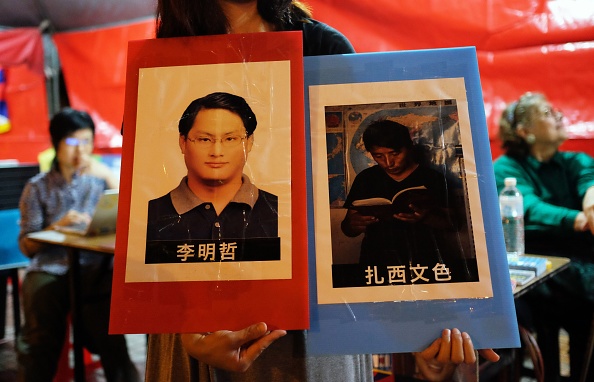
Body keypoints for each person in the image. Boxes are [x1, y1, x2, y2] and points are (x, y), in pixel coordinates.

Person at [145, 1, 499, 381]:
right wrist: (188, 326)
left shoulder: (322, 47)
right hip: (191, 316)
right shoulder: (167, 54)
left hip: (306, 324)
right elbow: (149, 189)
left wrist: (423, 330)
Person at [17, 108, 139, 381]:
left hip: (94, 269)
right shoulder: (37, 187)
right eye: (72, 143)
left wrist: (108, 176)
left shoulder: (100, 180)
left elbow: (134, 212)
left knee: (112, 337)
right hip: (51, 268)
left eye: (86, 142)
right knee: (40, 335)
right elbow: (26, 245)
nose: (80, 151)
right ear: (56, 144)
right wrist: (56, 227)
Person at [493, 91, 594, 381]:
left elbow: (591, 185)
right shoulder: (506, 168)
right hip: (533, 261)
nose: (560, 116)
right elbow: (529, 207)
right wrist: (580, 219)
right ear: (526, 132)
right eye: (548, 113)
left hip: (580, 258)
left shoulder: (576, 161)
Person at [145, 92, 279, 264]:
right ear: (183, 142)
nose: (216, 152)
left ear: (249, 142)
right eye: (204, 139)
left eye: (230, 138)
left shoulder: (278, 212)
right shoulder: (150, 215)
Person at [340, 120, 477, 284]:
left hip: (425, 258)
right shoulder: (365, 179)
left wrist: (425, 217)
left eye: (395, 154)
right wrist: (353, 224)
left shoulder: (432, 178)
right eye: (379, 156)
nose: (389, 163)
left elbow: (454, 224)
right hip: (377, 259)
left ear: (408, 147)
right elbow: (348, 228)